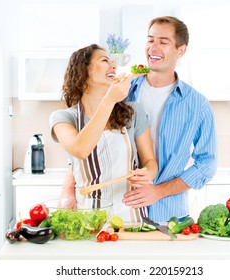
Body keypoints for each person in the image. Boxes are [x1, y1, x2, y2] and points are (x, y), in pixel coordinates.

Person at [49, 44, 158, 223]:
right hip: (88, 219)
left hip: (131, 216)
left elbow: (149, 161)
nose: (113, 66)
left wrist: (149, 174)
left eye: (113, 62)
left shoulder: (133, 112)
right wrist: (109, 99)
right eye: (105, 60)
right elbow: (80, 150)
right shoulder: (63, 118)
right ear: (82, 71)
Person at [123, 16, 217, 222]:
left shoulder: (197, 104)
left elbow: (207, 164)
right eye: (150, 40)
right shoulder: (123, 92)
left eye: (163, 42)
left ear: (181, 50)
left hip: (170, 216)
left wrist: (159, 191)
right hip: (122, 211)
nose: (152, 47)